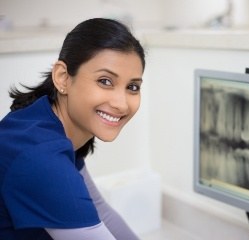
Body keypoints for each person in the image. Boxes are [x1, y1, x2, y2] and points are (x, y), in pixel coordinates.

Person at [0, 18, 145, 240]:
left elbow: (101, 212)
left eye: (132, 87)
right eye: (105, 81)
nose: (121, 103)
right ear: (62, 78)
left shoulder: (47, 122)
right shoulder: (41, 157)